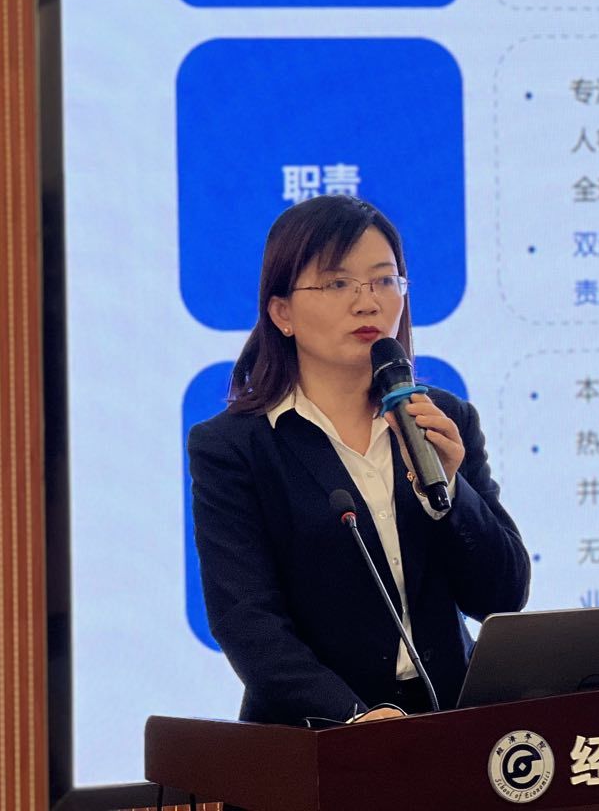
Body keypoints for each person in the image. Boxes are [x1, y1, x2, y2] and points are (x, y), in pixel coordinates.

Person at [187, 195, 531, 725]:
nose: (367, 303)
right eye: (337, 283)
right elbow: (247, 620)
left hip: (449, 723)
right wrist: (353, 718)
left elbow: (502, 596)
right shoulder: (235, 447)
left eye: (384, 281)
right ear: (282, 313)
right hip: (315, 733)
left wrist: (449, 489)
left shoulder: (443, 419)